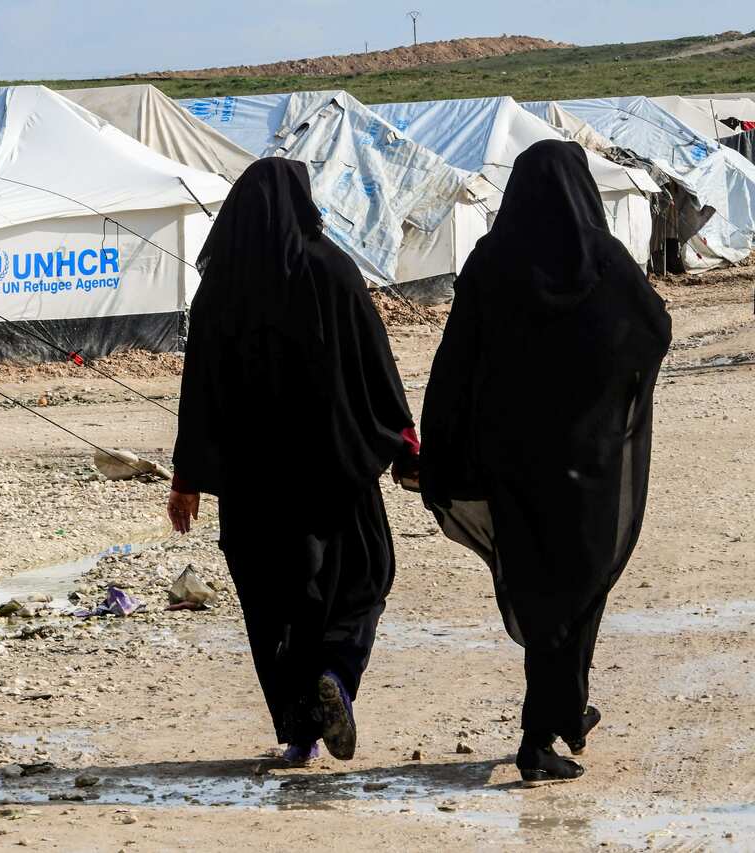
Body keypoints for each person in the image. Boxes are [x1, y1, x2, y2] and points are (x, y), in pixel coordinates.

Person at [419, 140, 671, 786]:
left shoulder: (489, 262)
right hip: (586, 465)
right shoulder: (604, 259)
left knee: (540, 588)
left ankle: (564, 712)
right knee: (580, 591)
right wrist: (608, 383)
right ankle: (539, 736)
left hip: (512, 462)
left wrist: (438, 448)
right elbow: (655, 327)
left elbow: (454, 365)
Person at [167, 158, 420, 766]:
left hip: (254, 487)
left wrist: (187, 480)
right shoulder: (333, 270)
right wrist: (404, 442)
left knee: (272, 607)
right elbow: (374, 365)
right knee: (361, 581)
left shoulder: (220, 288)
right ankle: (336, 670)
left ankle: (300, 735)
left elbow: (198, 389)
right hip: (336, 476)